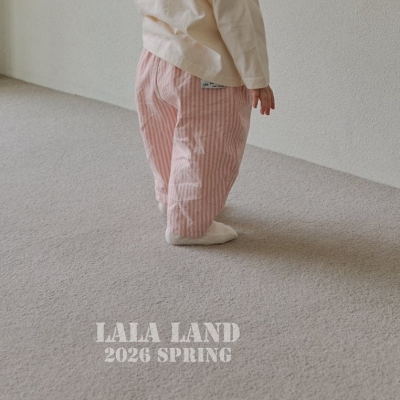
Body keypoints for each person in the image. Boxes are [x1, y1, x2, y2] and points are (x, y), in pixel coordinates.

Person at [134, 0, 275, 246]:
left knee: (162, 136)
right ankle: (189, 225)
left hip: (155, 57)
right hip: (205, 67)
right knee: (206, 150)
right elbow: (240, 21)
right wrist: (257, 77)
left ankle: (170, 198)